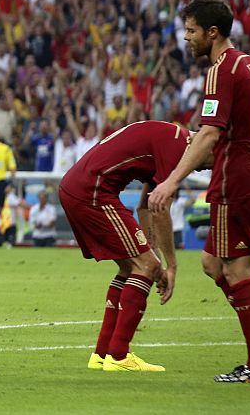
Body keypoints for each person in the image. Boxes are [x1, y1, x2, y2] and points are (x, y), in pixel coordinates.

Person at [149, 0, 250, 383]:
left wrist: (171, 181)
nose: (186, 38)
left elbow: (209, 133)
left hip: (235, 182)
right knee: (212, 264)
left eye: (191, 31)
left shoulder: (221, 69)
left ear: (212, 32)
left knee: (238, 272)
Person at [59, 120, 200, 373]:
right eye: (208, 162)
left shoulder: (172, 137)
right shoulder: (178, 147)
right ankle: (120, 355)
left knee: (132, 268)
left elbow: (145, 205)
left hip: (78, 187)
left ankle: (102, 354)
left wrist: (152, 252)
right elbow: (161, 209)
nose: (201, 170)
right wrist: (170, 265)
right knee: (146, 266)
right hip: (93, 192)